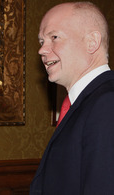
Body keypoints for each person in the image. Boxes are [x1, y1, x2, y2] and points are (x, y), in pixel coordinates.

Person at [30, 2, 114, 194]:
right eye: (42, 41)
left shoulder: (107, 103)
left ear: (92, 42)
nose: (42, 50)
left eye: (54, 37)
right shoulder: (87, 101)